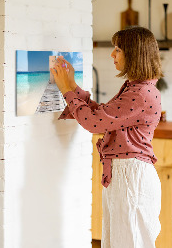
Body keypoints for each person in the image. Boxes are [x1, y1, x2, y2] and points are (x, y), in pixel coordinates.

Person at [50, 26, 163, 248]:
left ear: (134, 53)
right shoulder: (136, 88)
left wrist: (66, 90)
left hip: (131, 177)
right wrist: (72, 85)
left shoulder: (140, 93)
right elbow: (102, 115)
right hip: (126, 175)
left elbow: (94, 123)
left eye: (118, 49)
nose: (112, 54)